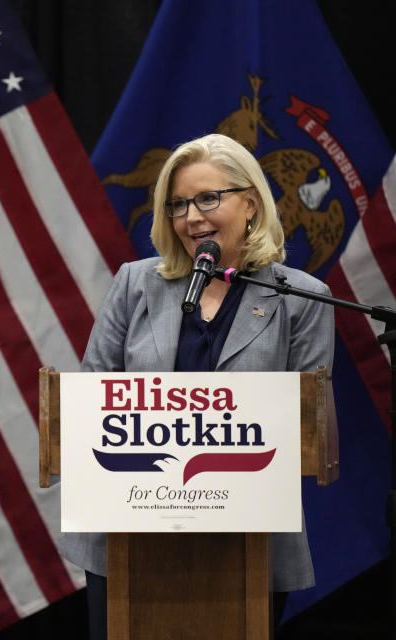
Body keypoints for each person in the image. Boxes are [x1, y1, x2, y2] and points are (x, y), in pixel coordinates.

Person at [60, 133, 334, 638]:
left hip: (247, 541)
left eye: (209, 198)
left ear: (250, 203)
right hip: (127, 538)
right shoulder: (134, 283)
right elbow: (88, 400)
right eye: (178, 204)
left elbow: (307, 427)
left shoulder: (301, 298)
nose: (191, 217)